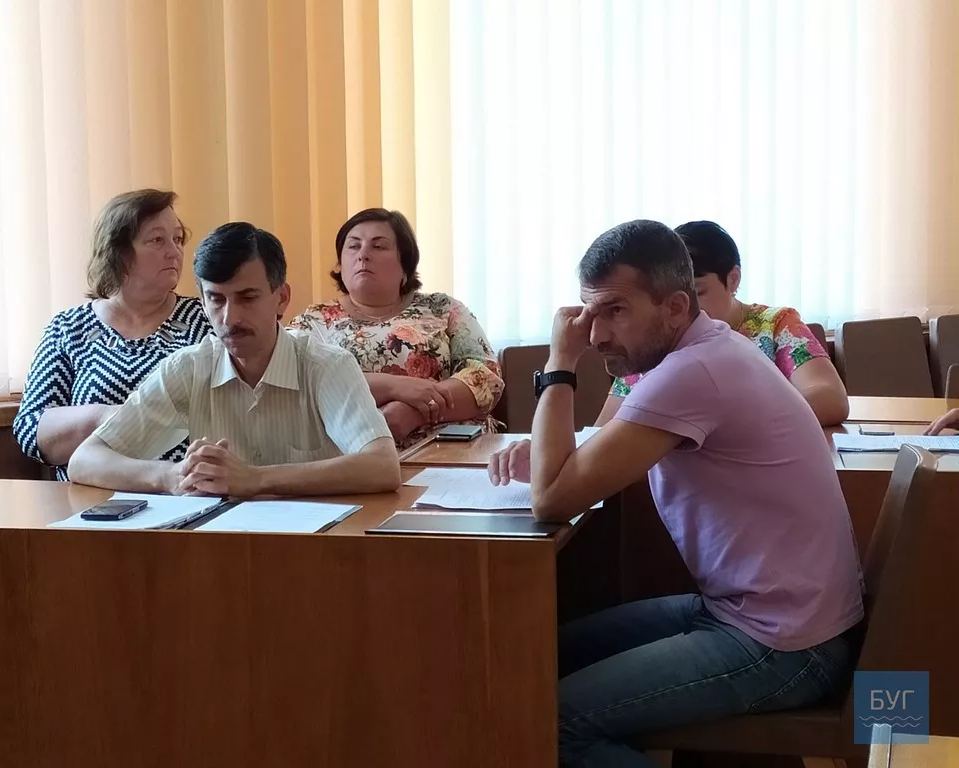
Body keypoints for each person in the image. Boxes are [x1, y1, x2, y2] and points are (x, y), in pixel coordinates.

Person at [487, 220, 864, 766]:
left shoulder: (693, 371)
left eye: (615, 310)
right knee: (539, 658)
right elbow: (578, 468)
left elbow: (552, 500)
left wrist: (559, 364)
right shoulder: (707, 350)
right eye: (589, 313)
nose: (595, 335)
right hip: (749, 612)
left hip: (786, 644)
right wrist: (553, 458)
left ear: (675, 307)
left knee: (547, 721)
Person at [68, 222, 400, 497]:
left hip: (317, 547)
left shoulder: (326, 366)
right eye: (216, 299)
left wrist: (256, 479)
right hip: (221, 546)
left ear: (281, 298)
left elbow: (382, 466)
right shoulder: (187, 368)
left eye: (247, 297)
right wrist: (170, 476)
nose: (230, 318)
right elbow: (85, 460)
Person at [13, 189, 212, 480]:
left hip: (187, 491)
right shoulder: (69, 328)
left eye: (178, 239)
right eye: (157, 240)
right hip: (91, 496)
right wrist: (107, 418)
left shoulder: (206, 319)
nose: (174, 251)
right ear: (118, 252)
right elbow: (30, 431)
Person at [595, 220, 849, 427]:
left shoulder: (774, 326)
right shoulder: (655, 337)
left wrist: (720, 425)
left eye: (698, 293)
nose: (683, 309)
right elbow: (604, 429)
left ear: (733, 279)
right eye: (671, 300)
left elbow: (829, 398)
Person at [289, 208, 503, 447]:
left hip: (450, 449)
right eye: (353, 246)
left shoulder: (443, 308)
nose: (363, 255)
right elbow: (294, 382)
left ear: (405, 265)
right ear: (340, 265)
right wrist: (394, 387)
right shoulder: (313, 321)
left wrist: (416, 412)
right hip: (352, 455)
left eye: (378, 246)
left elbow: (486, 377)